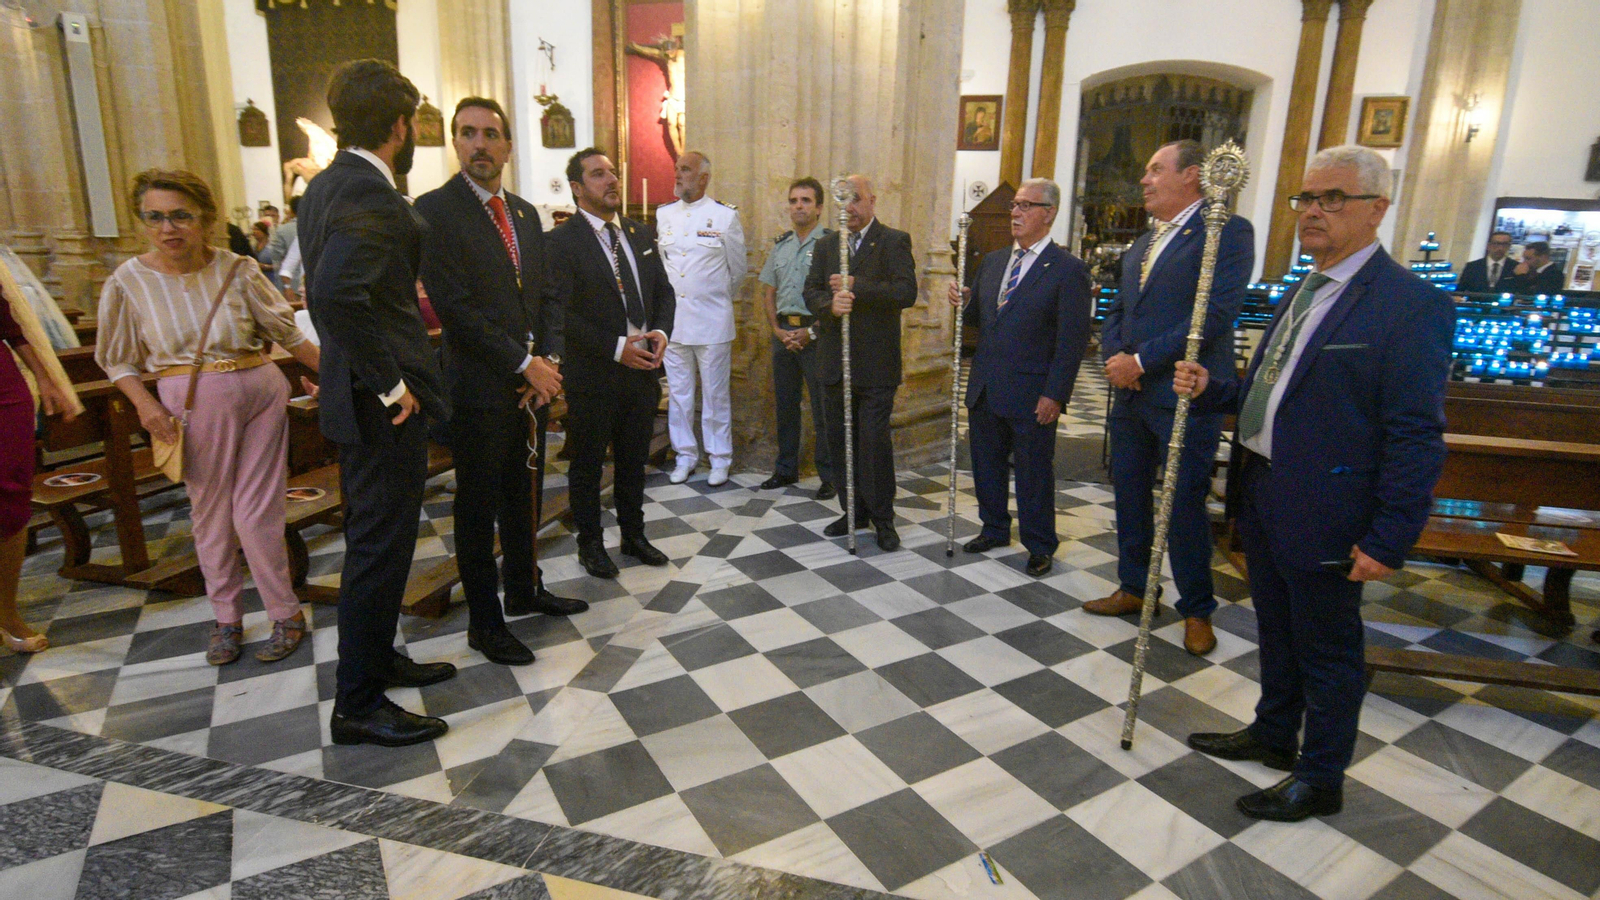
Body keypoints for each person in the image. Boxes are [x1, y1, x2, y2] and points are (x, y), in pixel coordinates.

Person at [1176, 145, 1454, 822]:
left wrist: (1390, 535)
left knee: (1328, 650)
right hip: (1267, 492)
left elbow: (1415, 433)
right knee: (1276, 627)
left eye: (1334, 199)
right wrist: (1216, 389)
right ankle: (1274, 733)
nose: (1313, 212)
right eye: (1307, 198)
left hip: (1332, 508)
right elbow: (1274, 392)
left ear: (1377, 210)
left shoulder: (1408, 306)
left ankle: (1320, 776)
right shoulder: (1305, 289)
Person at [96, 169, 320, 666]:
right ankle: (226, 617)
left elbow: (289, 336)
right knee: (212, 512)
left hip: (260, 388)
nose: (168, 228)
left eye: (181, 215)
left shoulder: (237, 268)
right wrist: (146, 404)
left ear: (205, 219)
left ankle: (285, 613)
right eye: (155, 217)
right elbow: (117, 359)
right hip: (193, 401)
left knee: (257, 511)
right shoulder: (129, 281)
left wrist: (345, 379)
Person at [297, 59, 454, 747]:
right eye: (415, 122)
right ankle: (357, 703)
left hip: (358, 397)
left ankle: (377, 657)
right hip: (379, 404)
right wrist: (390, 382)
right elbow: (333, 295)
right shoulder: (371, 194)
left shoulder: (327, 184)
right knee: (378, 547)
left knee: (381, 542)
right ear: (400, 125)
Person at [415, 97, 586, 669]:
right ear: (456, 143)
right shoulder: (434, 210)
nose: (480, 144)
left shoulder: (522, 212)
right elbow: (455, 309)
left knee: (524, 493)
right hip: (479, 386)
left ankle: (525, 586)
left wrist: (551, 360)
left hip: (531, 384)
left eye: (491, 134)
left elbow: (547, 296)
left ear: (509, 146)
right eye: (468, 134)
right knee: (479, 502)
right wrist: (524, 365)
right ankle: (485, 624)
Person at [1091, 140, 1254, 657]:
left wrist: (1141, 362)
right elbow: (1118, 309)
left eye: (1155, 169)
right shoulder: (1143, 242)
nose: (1144, 179)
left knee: (1182, 503)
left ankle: (1197, 609)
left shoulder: (1224, 230)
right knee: (1130, 492)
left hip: (1185, 389)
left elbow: (1215, 313)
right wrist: (1116, 355)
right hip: (1133, 394)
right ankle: (1136, 586)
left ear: (1191, 176)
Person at [948, 178, 1091, 578]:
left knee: (1032, 471)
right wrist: (963, 302)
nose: (1015, 212)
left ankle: (1040, 543)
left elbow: (1071, 341)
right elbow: (979, 320)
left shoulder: (1068, 270)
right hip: (986, 385)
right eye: (1014, 204)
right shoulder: (994, 262)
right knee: (986, 465)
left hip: (1032, 391)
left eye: (1027, 205)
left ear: (1049, 214)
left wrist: (1056, 394)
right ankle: (994, 528)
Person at [546, 148, 676, 580]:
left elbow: (664, 293)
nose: (612, 181)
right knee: (587, 464)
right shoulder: (562, 242)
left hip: (642, 370)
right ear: (578, 188)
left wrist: (659, 332)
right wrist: (614, 346)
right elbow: (559, 313)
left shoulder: (640, 234)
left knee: (634, 459)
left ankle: (634, 536)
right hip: (594, 372)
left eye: (614, 173)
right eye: (598, 175)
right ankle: (590, 543)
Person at [803, 175, 918, 551]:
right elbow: (812, 292)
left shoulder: (893, 240)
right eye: (842, 201)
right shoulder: (825, 246)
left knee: (872, 443)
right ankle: (852, 511)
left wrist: (857, 285)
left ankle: (883, 518)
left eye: (855, 199)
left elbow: (906, 292)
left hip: (875, 365)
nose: (849, 208)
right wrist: (830, 305)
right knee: (839, 441)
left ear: (871, 200)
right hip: (834, 362)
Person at [656, 151, 745, 486]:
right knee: (679, 394)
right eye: (677, 169)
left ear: (704, 177)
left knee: (715, 394)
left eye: (686, 170)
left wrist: (711, 297)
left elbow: (736, 272)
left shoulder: (724, 217)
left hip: (712, 322)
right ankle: (685, 456)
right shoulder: (663, 214)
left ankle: (719, 457)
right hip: (675, 324)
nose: (679, 175)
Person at [1, 285, 78, 654]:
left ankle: (7, 613)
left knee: (11, 495)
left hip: (2, 387)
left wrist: (46, 378)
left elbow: (10, 324)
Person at [758, 177, 835, 500]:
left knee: (822, 408)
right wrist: (777, 330)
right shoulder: (782, 245)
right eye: (793, 200)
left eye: (805, 200)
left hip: (816, 334)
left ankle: (829, 475)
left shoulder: (830, 245)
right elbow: (768, 290)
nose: (798, 206)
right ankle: (786, 468)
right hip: (784, 334)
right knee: (786, 405)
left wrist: (810, 331)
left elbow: (835, 295)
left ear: (818, 208)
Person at [268, 196, 301, 294]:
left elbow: (275, 256)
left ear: (291, 211)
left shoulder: (283, 230)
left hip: (290, 281)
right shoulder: (316, 228)